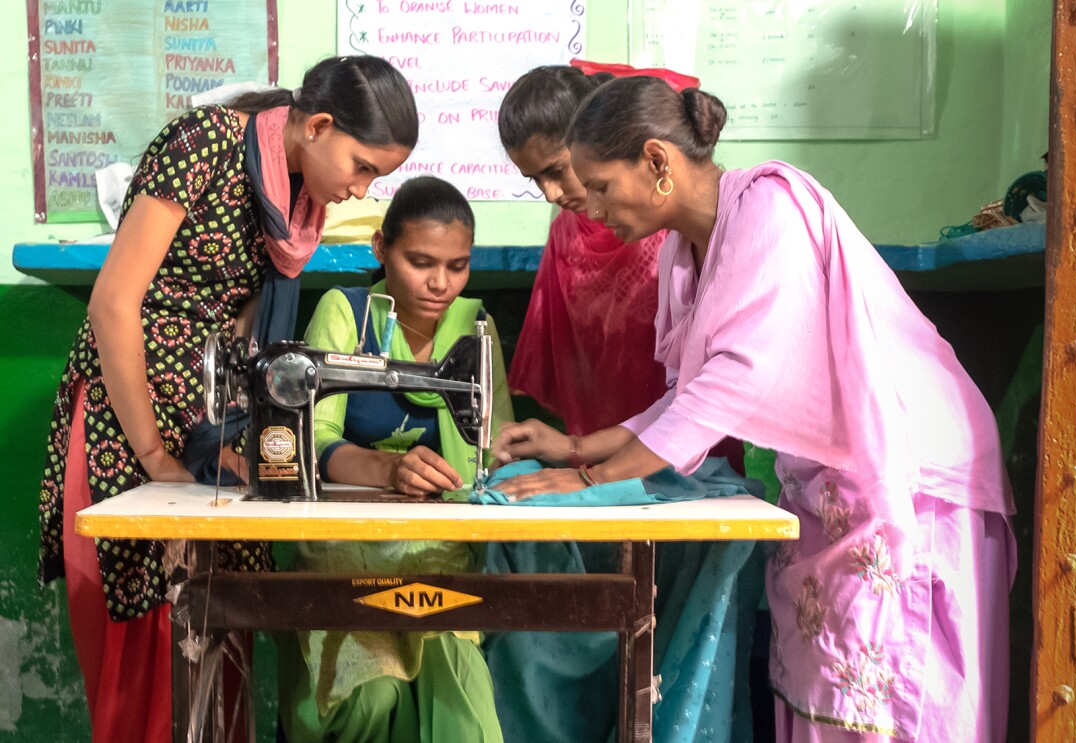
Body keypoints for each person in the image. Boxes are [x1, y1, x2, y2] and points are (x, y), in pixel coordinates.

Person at [494, 76, 1016, 742]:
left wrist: (593, 484)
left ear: (656, 162)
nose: (586, 206)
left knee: (891, 698)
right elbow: (690, 391)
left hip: (911, 476)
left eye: (597, 186)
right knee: (825, 686)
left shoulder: (770, 207)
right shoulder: (686, 253)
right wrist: (577, 448)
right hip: (838, 478)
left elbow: (732, 384)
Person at [36, 55, 417, 743]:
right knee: (153, 655)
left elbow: (244, 326)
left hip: (208, 430)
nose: (361, 189)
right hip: (131, 423)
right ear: (320, 125)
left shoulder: (294, 202)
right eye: (362, 167)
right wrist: (154, 453)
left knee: (221, 643)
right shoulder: (200, 146)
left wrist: (239, 440)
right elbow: (115, 303)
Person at [277, 175, 512, 743]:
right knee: (370, 696)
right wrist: (387, 470)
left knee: (454, 680)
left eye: (458, 266)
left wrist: (515, 459)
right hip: (344, 550)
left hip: (438, 556)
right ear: (382, 248)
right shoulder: (346, 313)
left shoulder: (476, 329)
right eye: (420, 261)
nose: (441, 283)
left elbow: (494, 442)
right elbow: (312, 435)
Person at [497, 62, 684, 436]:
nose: (549, 193)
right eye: (534, 179)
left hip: (682, 439)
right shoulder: (565, 235)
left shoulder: (664, 227)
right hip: (598, 446)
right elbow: (567, 366)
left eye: (556, 171)